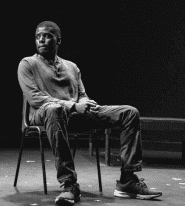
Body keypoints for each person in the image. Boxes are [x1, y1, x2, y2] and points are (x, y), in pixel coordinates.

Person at [17, 21, 162, 205]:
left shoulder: (72, 66)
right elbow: (35, 98)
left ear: (58, 39)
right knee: (54, 109)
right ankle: (69, 185)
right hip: (42, 115)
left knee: (129, 113)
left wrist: (85, 103)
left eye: (47, 35)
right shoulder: (27, 64)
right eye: (38, 36)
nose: (41, 40)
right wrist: (72, 105)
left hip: (73, 116)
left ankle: (127, 180)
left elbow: (82, 95)